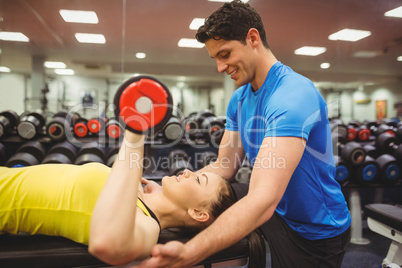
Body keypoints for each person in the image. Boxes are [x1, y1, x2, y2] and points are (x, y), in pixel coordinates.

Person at [136, 1, 351, 267]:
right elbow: (224, 167)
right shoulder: (239, 100)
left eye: (225, 54)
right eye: (215, 58)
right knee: (206, 199)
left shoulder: (293, 95)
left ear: (252, 38)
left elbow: (263, 199)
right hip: (275, 204)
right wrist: (167, 193)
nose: (220, 67)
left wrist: (189, 253)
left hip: (313, 228)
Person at [0, 129, 264, 267]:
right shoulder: (140, 193)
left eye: (198, 179)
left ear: (198, 213)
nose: (187, 171)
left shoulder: (146, 226)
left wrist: (135, 135)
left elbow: (108, 244)